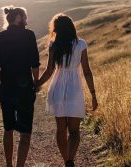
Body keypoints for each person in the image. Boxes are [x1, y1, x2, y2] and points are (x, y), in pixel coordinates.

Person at [37, 14, 98, 167]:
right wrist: (93, 94)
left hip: (57, 88)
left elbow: (49, 70)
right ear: (71, 27)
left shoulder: (53, 44)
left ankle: (66, 160)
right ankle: (70, 159)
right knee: (74, 131)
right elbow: (87, 71)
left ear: (56, 29)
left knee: (61, 129)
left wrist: (37, 84)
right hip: (74, 89)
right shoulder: (81, 44)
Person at [0, 5, 40, 167]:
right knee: (25, 132)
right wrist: (36, 82)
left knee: (8, 129)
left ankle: (9, 166)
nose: (26, 20)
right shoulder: (29, 35)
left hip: (6, 89)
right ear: (18, 17)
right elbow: (35, 64)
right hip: (25, 89)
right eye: (24, 17)